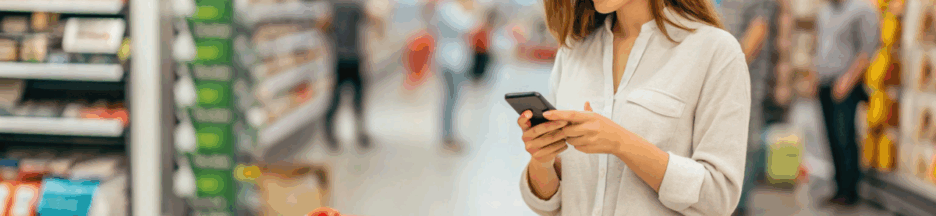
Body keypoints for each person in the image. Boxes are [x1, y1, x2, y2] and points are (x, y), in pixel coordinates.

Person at [517, 0, 750, 215]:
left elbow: (719, 197)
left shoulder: (716, 52)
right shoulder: (574, 52)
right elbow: (550, 204)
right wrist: (542, 160)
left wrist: (622, 143)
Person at [718, 0, 782, 214]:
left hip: (744, 79)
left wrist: (729, 69)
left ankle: (737, 205)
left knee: (745, 139)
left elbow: (757, 32)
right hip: (716, 77)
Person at [813, 0, 879, 206]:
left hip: (846, 84)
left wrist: (848, 80)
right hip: (825, 83)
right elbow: (820, 45)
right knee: (831, 137)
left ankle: (849, 191)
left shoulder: (864, 10)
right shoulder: (825, 12)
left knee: (845, 137)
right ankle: (839, 187)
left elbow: (867, 50)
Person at [320, 0, 386, 152]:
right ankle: (360, 133)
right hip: (354, 56)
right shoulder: (356, 4)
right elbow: (374, 20)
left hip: (339, 57)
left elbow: (323, 25)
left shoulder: (333, 5)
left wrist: (330, 35)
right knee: (358, 97)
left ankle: (330, 134)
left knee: (335, 98)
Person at [430, 0, 479, 153]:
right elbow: (470, 26)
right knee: (450, 101)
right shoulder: (447, 8)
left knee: (453, 100)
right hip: (450, 61)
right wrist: (472, 10)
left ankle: (449, 134)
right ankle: (447, 137)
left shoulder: (451, 7)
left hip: (455, 59)